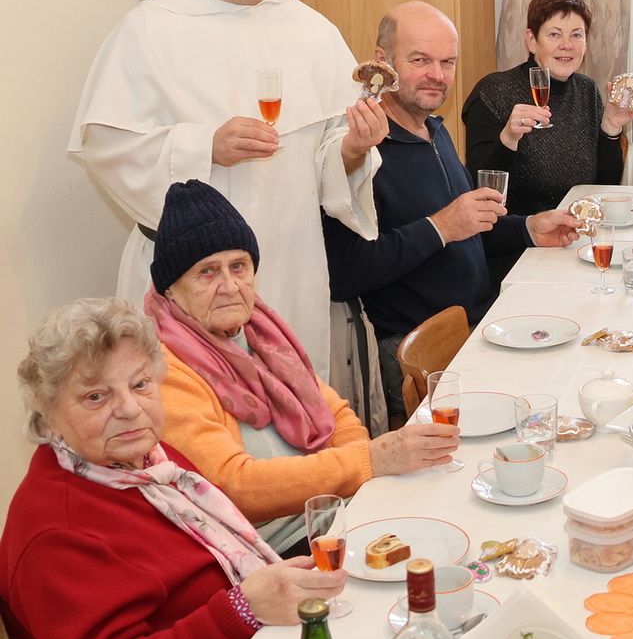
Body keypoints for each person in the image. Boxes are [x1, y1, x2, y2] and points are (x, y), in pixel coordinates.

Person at [0, 297, 347, 639]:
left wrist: (266, 592)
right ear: (49, 416)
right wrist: (241, 610)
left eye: (140, 384)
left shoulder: (154, 466)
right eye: (96, 396)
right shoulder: (57, 531)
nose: (129, 409)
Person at [70, 0, 386, 379]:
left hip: (288, 268)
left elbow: (332, 158)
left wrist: (354, 147)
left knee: (287, 410)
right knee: (193, 414)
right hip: (189, 281)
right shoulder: (150, 28)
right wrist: (205, 147)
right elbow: (107, 148)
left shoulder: (313, 31)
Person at [148, 179, 458, 554]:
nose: (229, 285)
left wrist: (365, 486)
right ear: (170, 289)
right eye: (207, 272)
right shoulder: (166, 372)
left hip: (336, 513)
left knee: (451, 516)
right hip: (275, 549)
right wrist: (368, 461)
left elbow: (337, 415)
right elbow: (234, 485)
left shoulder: (262, 333)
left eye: (239, 266)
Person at [322, 1, 583, 425]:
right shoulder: (356, 151)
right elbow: (344, 274)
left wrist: (529, 229)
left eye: (447, 62)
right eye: (420, 60)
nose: (438, 75)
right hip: (418, 354)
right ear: (382, 62)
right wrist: (440, 226)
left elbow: (468, 229)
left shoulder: (433, 131)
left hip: (478, 328)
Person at [464, 0, 633, 220]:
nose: (567, 45)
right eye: (554, 34)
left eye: (576, 35)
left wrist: (611, 126)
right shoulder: (494, 92)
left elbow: (604, 187)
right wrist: (509, 138)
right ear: (532, 41)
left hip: (577, 228)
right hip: (520, 235)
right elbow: (480, 191)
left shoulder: (586, 90)